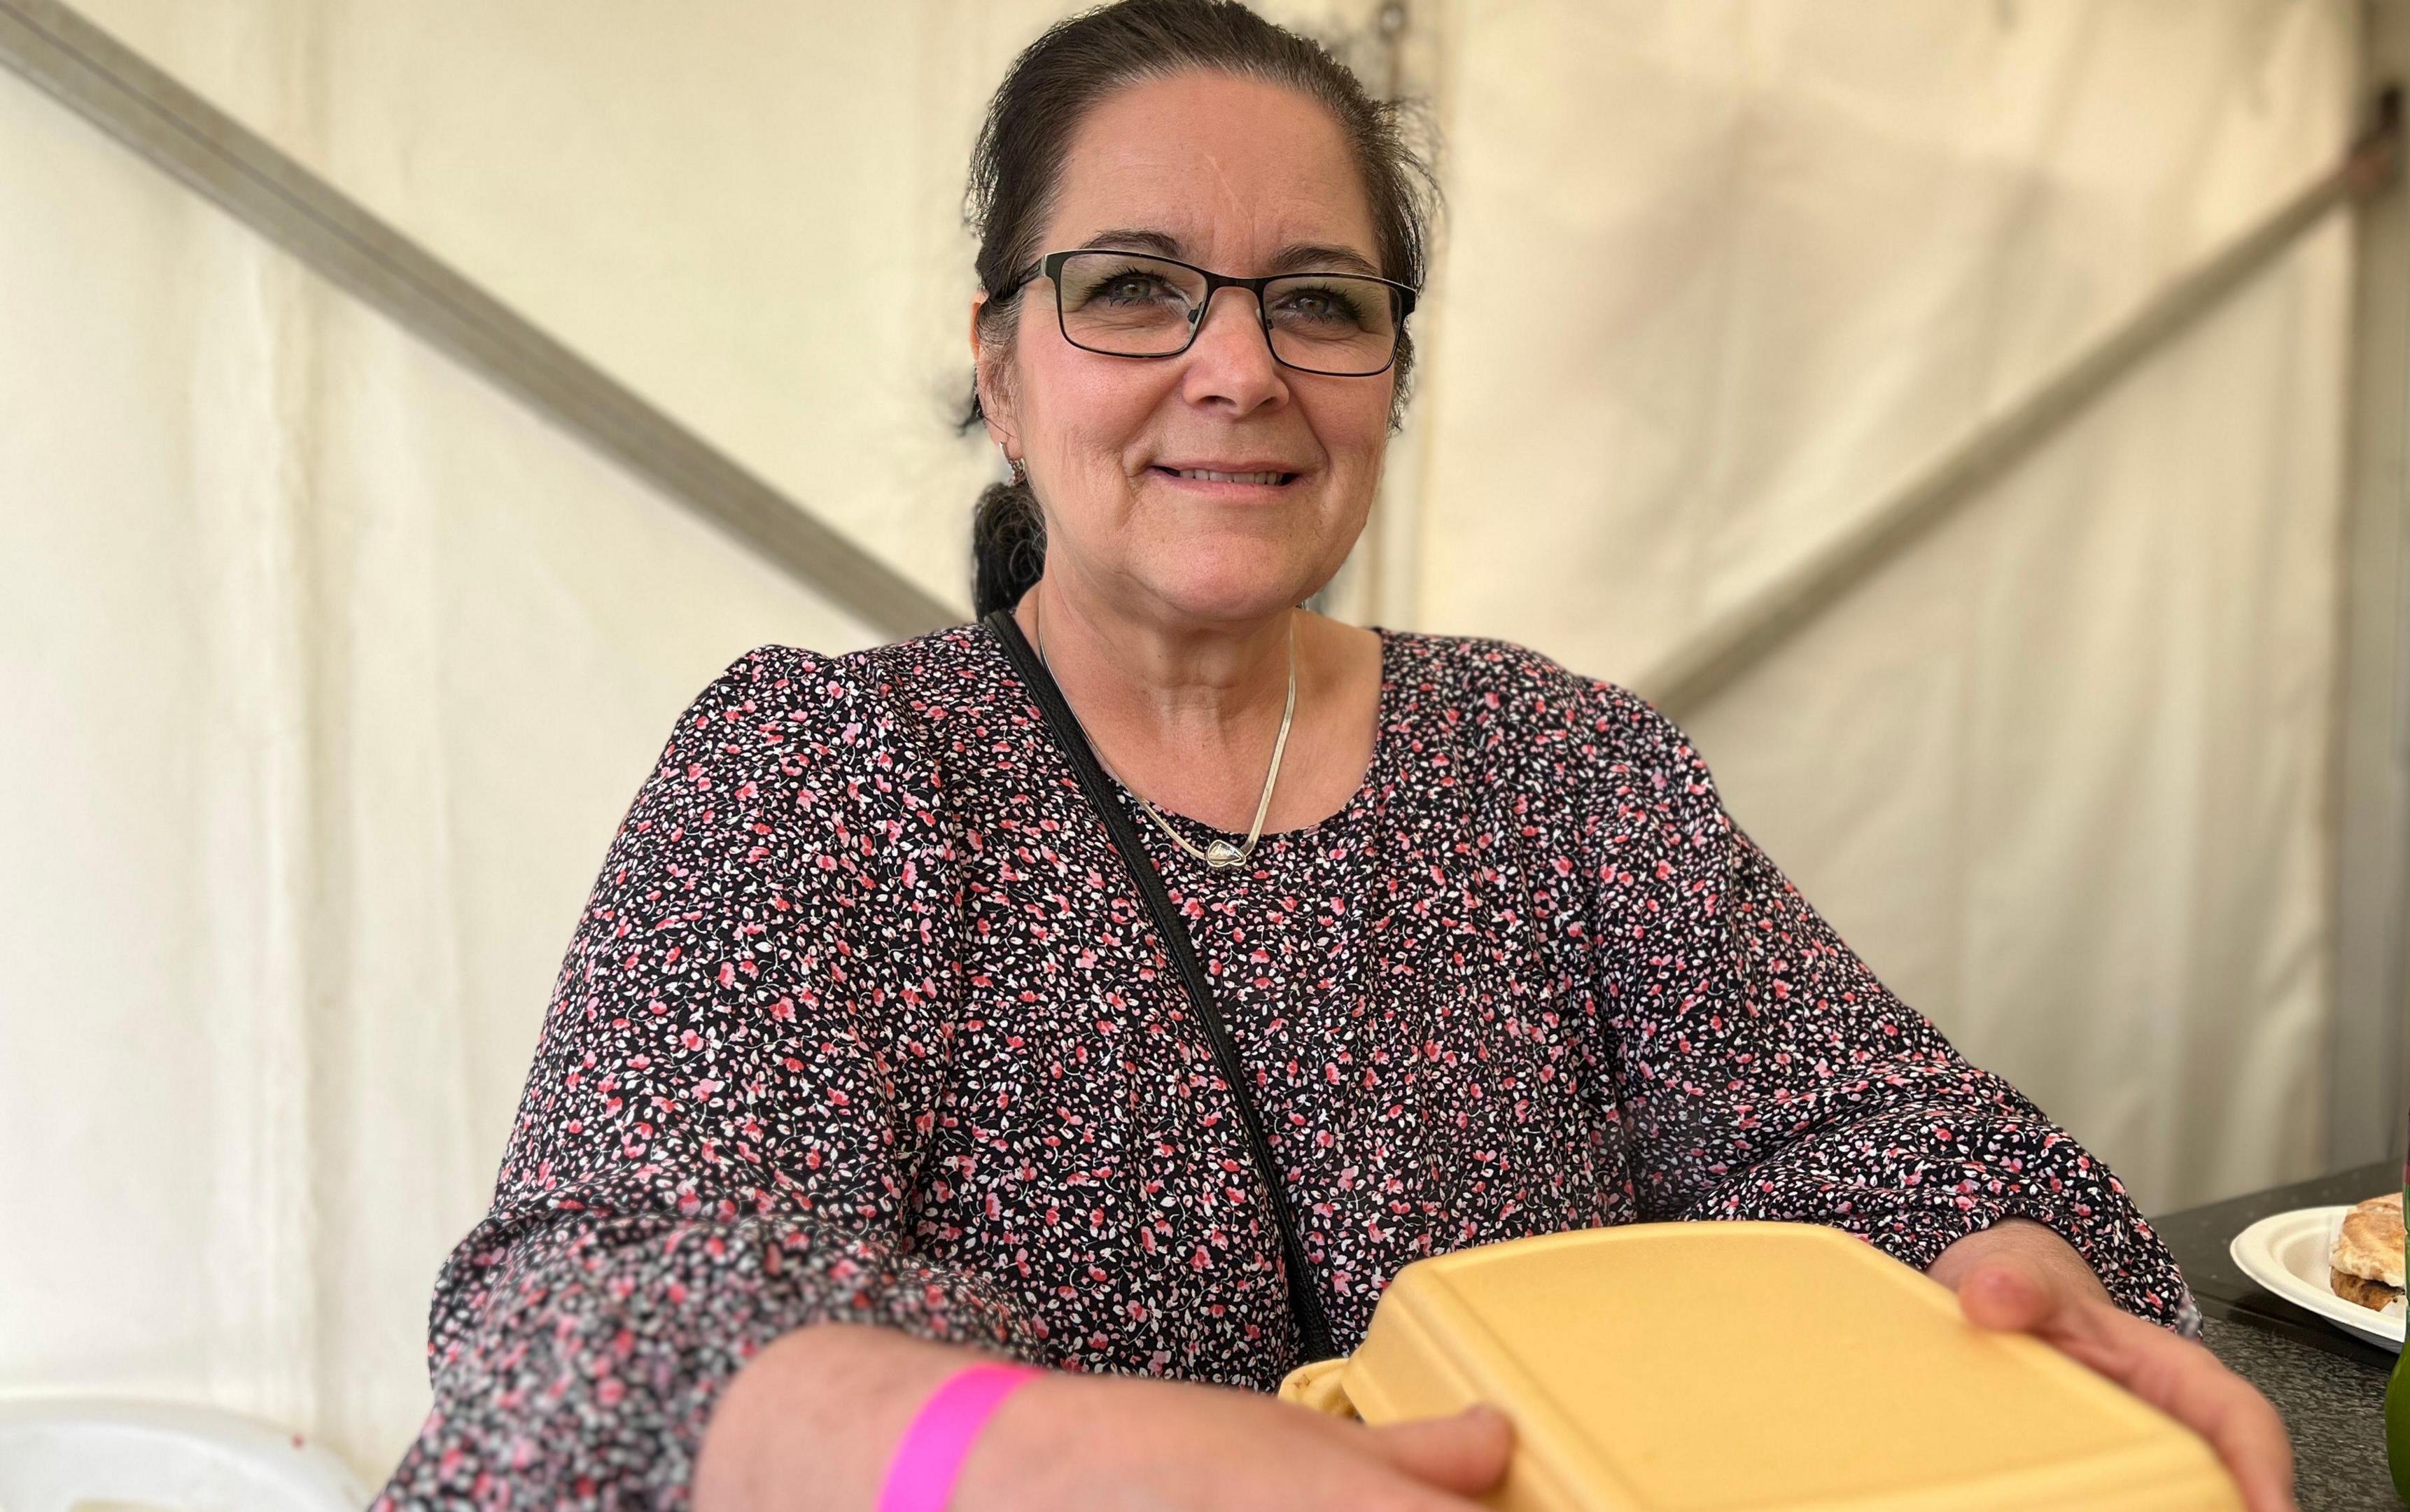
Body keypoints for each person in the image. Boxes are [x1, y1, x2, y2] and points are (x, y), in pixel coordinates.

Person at [375, 2, 2295, 1508]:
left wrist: (2004, 1259)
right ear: (1000, 361)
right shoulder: (833, 778)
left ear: (1393, 369)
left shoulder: (1559, 768)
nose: (1239, 368)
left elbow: (1867, 1126)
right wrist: (1029, 1458)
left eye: (1319, 301)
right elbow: (584, 1325)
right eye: (1135, 286)